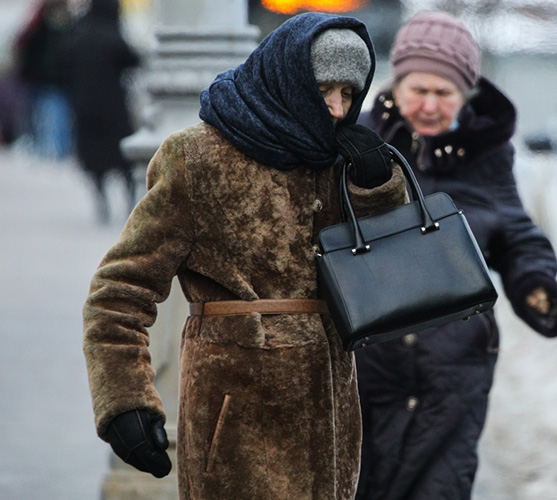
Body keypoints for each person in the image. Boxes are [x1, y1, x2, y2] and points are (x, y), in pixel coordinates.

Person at [81, 12, 405, 500]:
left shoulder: (340, 157)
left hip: (331, 414)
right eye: (324, 91)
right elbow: (119, 291)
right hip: (233, 418)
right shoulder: (196, 157)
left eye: (349, 94)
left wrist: (377, 189)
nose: (338, 110)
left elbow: (384, 268)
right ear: (289, 79)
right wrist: (125, 400)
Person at [354, 11, 557, 500]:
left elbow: (515, 232)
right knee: (361, 482)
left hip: (454, 360)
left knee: (440, 485)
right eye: (418, 90)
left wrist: (533, 281)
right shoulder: (358, 140)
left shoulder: (488, 152)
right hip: (369, 359)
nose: (429, 105)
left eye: (444, 93)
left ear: (465, 95)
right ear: (396, 85)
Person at [62, 0, 140, 224]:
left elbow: (63, 64)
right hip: (113, 106)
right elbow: (132, 59)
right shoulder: (112, 35)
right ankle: (129, 202)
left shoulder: (80, 34)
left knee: (93, 158)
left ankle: (102, 202)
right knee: (123, 157)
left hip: (84, 105)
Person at [13, 0, 74, 159]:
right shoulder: (67, 22)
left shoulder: (39, 22)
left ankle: (51, 152)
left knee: (49, 115)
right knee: (56, 115)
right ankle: (55, 152)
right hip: (54, 78)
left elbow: (24, 45)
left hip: (47, 78)